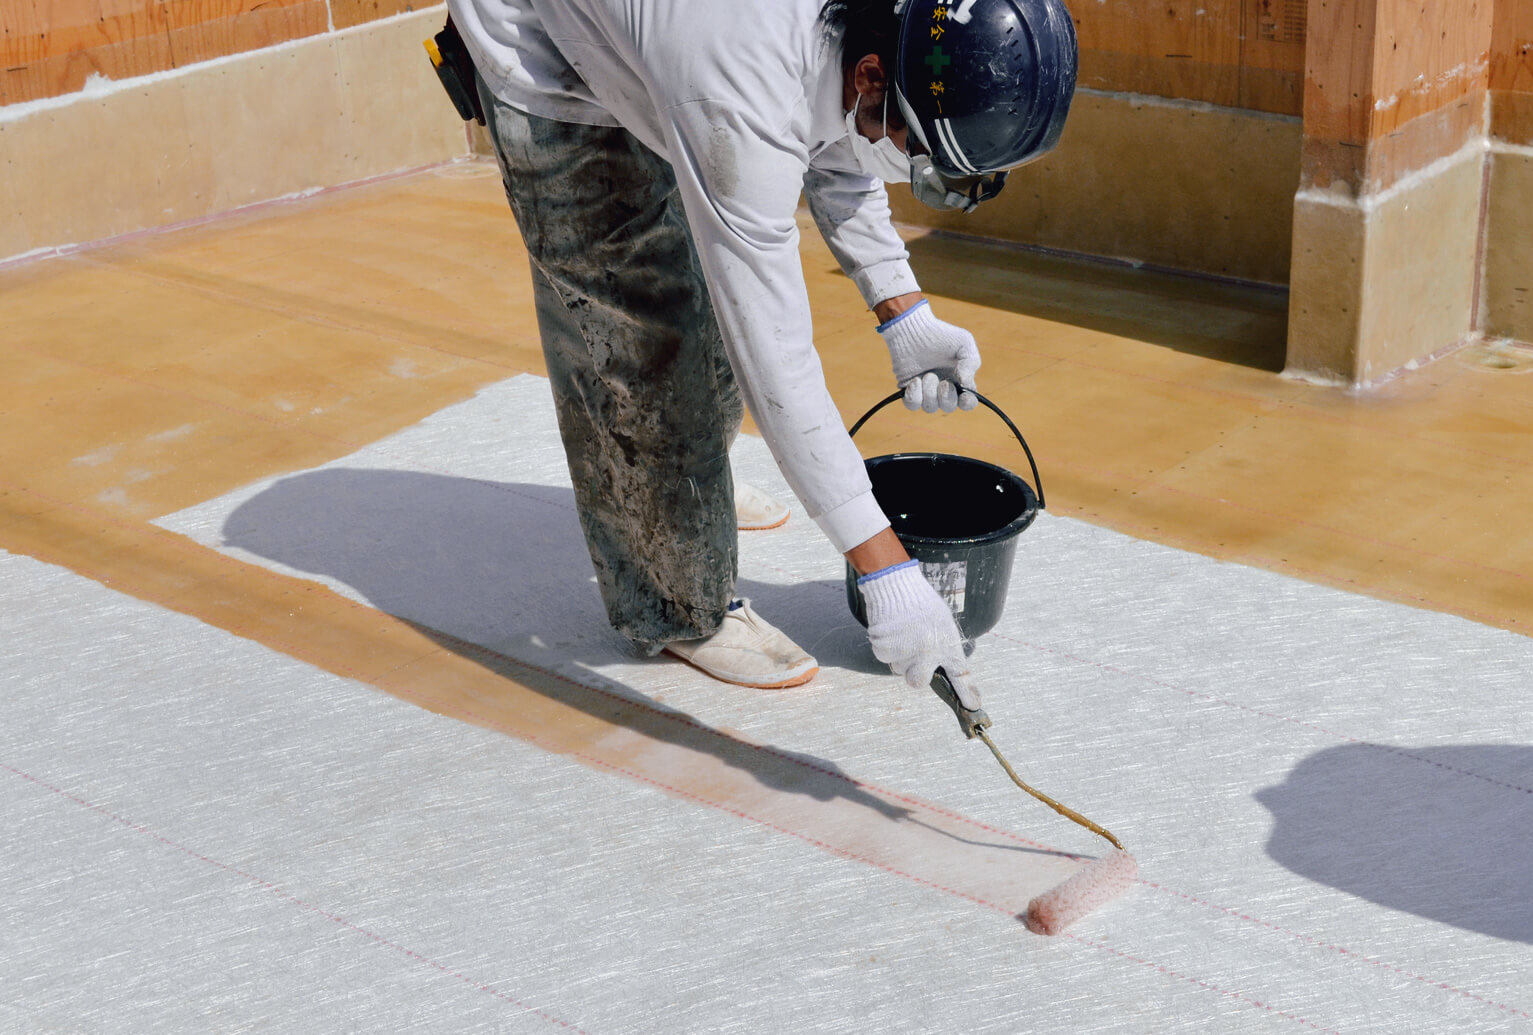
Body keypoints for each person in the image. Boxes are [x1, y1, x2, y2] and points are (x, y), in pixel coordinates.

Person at [439, 0, 1078, 718]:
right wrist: (887, 569)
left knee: (703, 299)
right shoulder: (739, 85)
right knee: (645, 329)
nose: (914, 172)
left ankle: (689, 487)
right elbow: (773, 353)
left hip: (681, 47)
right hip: (545, 44)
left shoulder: (878, 36)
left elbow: (841, 136)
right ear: (872, 74)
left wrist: (903, 311)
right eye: (923, 158)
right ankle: (678, 600)